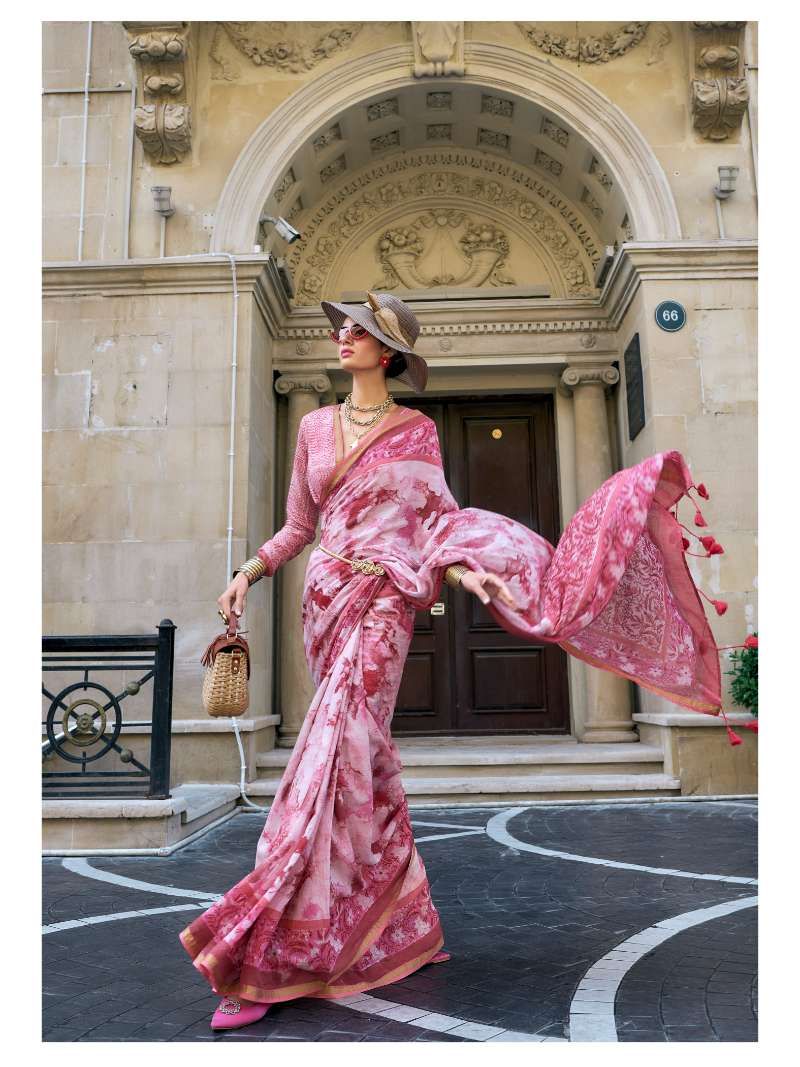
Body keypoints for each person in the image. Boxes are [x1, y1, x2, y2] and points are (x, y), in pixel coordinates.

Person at [180, 290, 724, 1031]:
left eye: (359, 329)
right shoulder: (311, 425)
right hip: (325, 599)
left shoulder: (418, 434)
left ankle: (270, 950)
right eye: (341, 328)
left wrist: (475, 575)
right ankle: (402, 921)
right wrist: (248, 571)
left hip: (384, 603)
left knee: (333, 753)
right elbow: (299, 525)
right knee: (364, 761)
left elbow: (438, 526)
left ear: (389, 351)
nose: (343, 337)